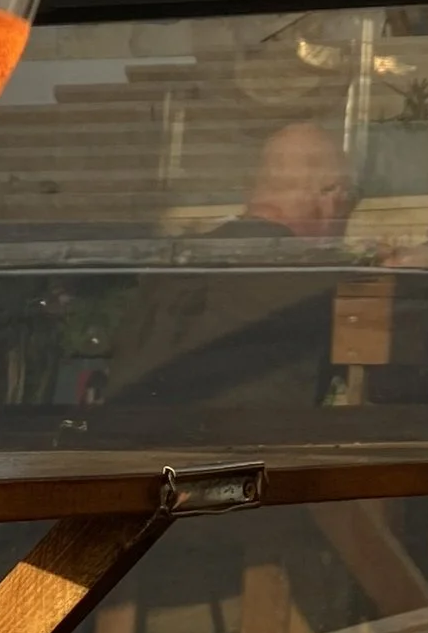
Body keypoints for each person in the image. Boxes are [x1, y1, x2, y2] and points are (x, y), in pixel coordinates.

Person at [100, 121, 360, 437]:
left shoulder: (173, 267)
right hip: (243, 471)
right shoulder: (315, 278)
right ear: (332, 196)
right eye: (347, 203)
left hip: (132, 462)